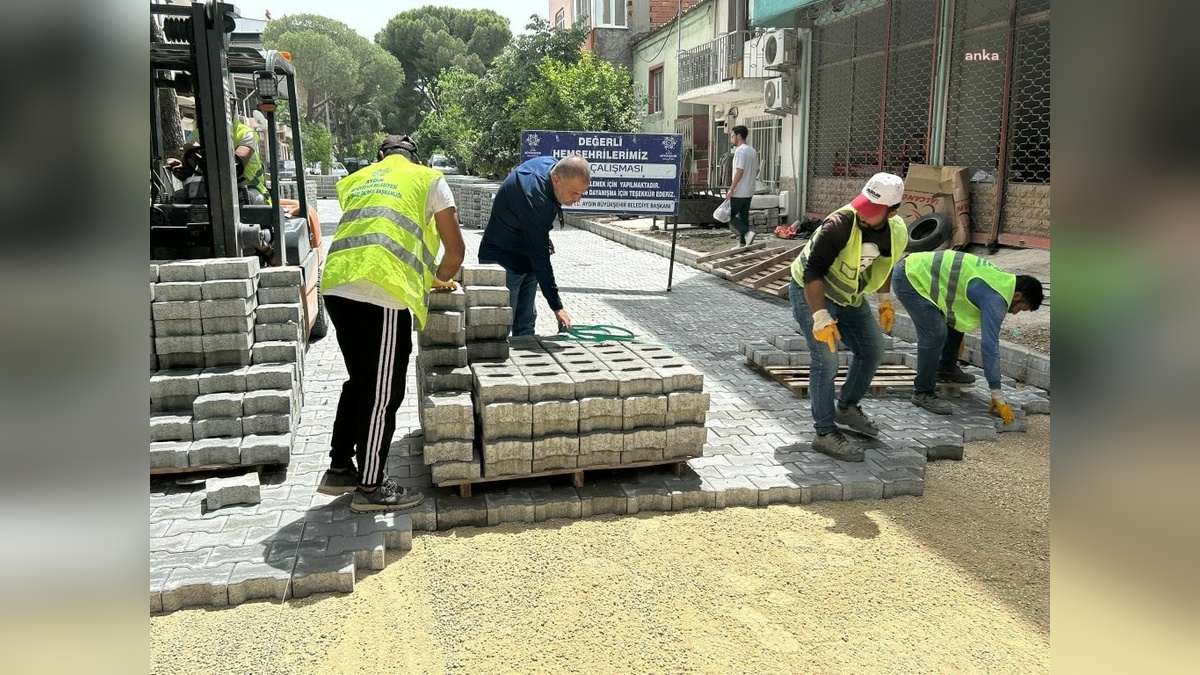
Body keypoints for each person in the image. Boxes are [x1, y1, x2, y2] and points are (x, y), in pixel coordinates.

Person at [317, 134, 466, 512]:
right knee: (383, 393)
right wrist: (439, 279)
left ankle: (340, 468)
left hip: (337, 285)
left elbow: (375, 228)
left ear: (380, 155)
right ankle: (371, 487)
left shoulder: (357, 178)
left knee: (360, 379)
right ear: (414, 157)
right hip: (380, 293)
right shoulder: (428, 178)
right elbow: (456, 249)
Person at [788, 172, 909, 462]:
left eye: (873, 211)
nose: (864, 215)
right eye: (864, 205)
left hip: (849, 296)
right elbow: (812, 273)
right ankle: (825, 433)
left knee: (873, 349)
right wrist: (820, 317)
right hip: (812, 291)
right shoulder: (839, 225)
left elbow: (884, 266)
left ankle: (847, 407)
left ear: (892, 212)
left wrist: (884, 302)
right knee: (826, 359)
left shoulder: (897, 232)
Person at [891, 251, 1043, 423]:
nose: (1015, 313)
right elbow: (989, 347)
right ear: (1018, 296)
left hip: (918, 270)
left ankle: (946, 368)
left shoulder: (1003, 281)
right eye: (1021, 308)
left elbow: (962, 305)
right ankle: (922, 392)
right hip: (910, 277)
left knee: (957, 321)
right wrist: (997, 393)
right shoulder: (997, 298)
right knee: (934, 334)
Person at [478, 155, 590, 336]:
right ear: (556, 180)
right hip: (502, 260)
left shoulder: (552, 166)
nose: (578, 199)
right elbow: (540, 258)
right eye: (574, 193)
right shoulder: (535, 198)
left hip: (526, 257)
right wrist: (557, 307)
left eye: (582, 193)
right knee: (500, 329)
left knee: (526, 324)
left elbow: (537, 251)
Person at [720, 125, 759, 246]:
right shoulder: (752, 150)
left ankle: (747, 234)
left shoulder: (740, 151)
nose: (731, 139)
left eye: (732, 136)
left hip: (739, 190)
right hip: (750, 189)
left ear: (738, 136)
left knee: (726, 215)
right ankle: (744, 242)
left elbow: (739, 171)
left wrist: (731, 189)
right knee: (743, 216)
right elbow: (757, 170)